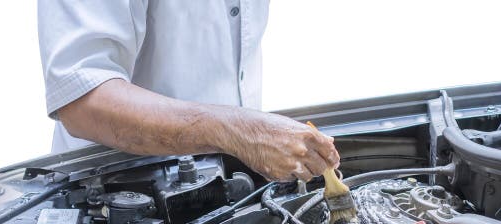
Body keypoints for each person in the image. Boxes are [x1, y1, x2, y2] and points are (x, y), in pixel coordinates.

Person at [38, 0, 339, 182]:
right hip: (114, 210)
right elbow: (82, 102)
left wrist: (250, 140)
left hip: (227, 194)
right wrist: (239, 132)